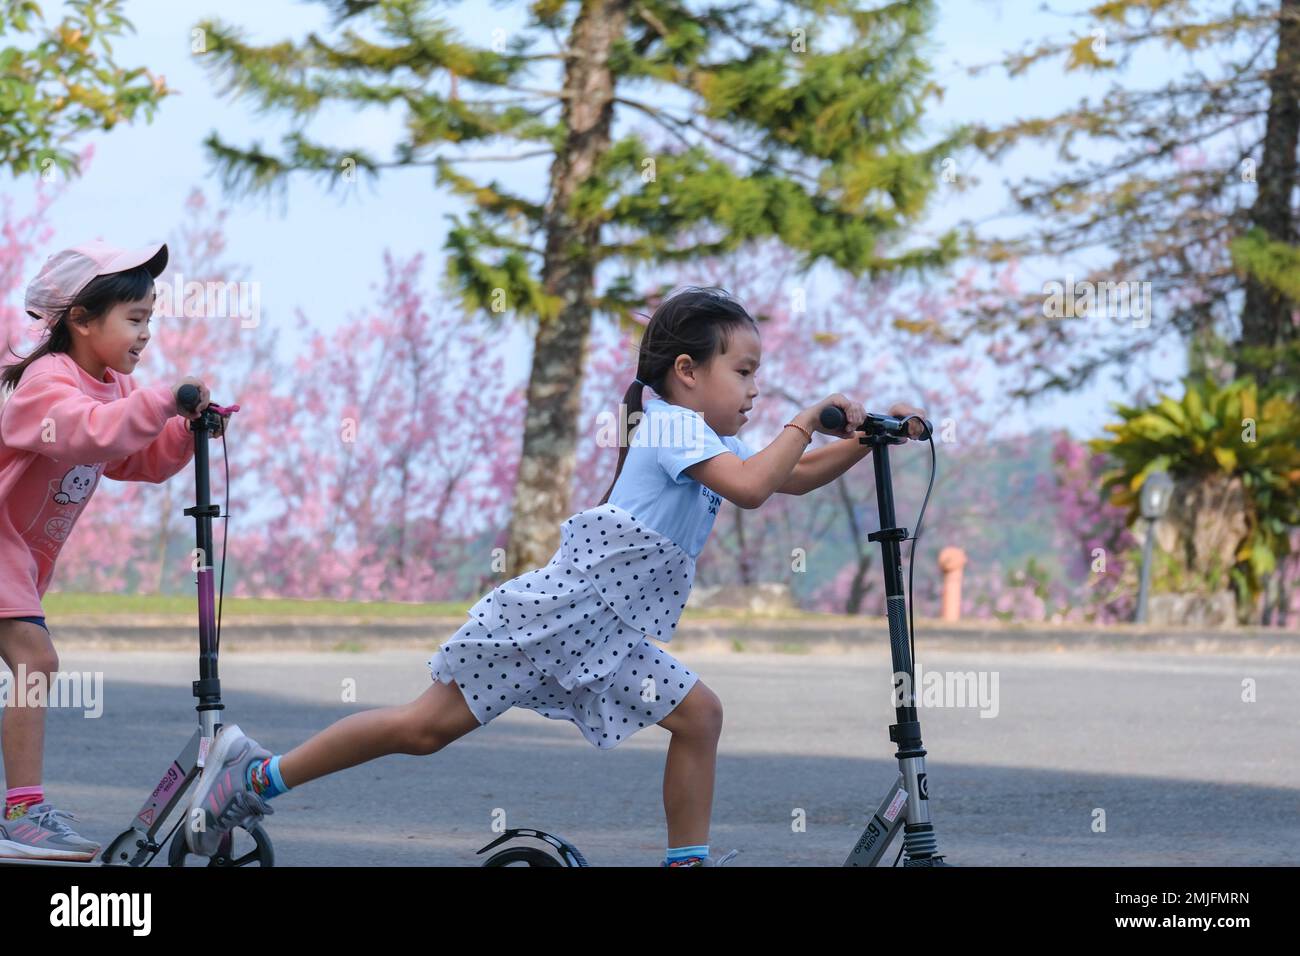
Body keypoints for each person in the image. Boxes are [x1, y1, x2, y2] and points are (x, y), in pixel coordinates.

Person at [186, 286, 927, 867]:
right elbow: (760, 484)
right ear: (688, 372)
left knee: (699, 715)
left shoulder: (701, 437)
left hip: (611, 636)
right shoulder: (672, 426)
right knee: (421, 730)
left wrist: (864, 441)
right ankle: (253, 779)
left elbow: (788, 480)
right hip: (560, 618)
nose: (755, 390)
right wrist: (803, 420)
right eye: (744, 372)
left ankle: (685, 862)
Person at [0, 240, 219, 861]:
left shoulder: (115, 384)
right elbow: (86, 432)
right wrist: (155, 402)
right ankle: (21, 815)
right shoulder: (47, 383)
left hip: (17, 556)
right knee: (35, 663)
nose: (146, 334)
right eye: (135, 318)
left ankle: (20, 813)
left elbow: (130, 456)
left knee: (30, 665)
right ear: (81, 318)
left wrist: (181, 428)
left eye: (150, 319)